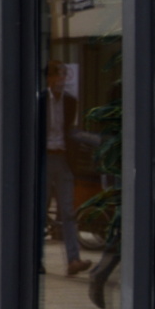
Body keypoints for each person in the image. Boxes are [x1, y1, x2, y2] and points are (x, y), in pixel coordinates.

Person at [42, 61, 90, 276]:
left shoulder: (70, 101)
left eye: (63, 75)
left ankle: (73, 259)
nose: (62, 80)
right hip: (44, 159)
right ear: (49, 78)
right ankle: (36, 260)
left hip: (62, 159)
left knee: (68, 212)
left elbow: (69, 130)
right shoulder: (41, 100)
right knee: (39, 211)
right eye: (58, 75)